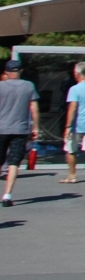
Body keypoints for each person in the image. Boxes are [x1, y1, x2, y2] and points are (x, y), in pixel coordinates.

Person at [0, 60, 37, 208]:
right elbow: (34, 108)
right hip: (20, 130)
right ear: (20, 71)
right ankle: (7, 195)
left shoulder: (1, 86)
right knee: (14, 162)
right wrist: (36, 127)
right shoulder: (29, 86)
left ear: (6, 72)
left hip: (1, 129)